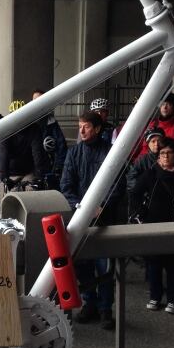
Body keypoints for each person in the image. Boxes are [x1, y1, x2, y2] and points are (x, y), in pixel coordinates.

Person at [61, 111, 122, 329]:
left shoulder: (110, 152)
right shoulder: (74, 153)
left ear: (97, 129)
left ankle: (106, 309)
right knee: (82, 265)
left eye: (86, 126)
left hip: (104, 220)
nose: (82, 130)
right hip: (79, 219)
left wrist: (101, 206)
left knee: (104, 266)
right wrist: (78, 205)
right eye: (80, 126)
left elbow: (117, 184)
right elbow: (66, 185)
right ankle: (90, 303)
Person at [129, 137, 174, 314]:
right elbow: (135, 193)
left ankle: (173, 299)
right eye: (162, 153)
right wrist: (140, 212)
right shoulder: (151, 173)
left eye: (169, 152)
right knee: (154, 264)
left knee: (173, 265)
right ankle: (155, 296)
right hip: (153, 223)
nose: (165, 156)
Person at [0, 100, 47, 196]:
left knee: (31, 200)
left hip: (28, 172)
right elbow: (4, 155)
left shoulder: (34, 128)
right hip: (10, 173)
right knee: (8, 204)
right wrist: (4, 177)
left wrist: (39, 177)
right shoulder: (5, 129)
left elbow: (37, 154)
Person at [134, 93, 174, 161]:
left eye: (168, 104)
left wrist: (170, 164)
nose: (164, 107)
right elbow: (145, 147)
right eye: (162, 104)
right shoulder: (153, 124)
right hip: (151, 164)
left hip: (170, 165)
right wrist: (138, 163)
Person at [32, 89, 67, 189]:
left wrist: (58, 167)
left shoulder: (51, 121)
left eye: (40, 100)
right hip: (32, 167)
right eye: (35, 100)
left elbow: (61, 145)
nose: (37, 103)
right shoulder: (28, 121)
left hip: (48, 165)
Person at [126, 127, 164, 198]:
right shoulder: (142, 160)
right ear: (148, 143)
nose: (156, 144)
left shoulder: (168, 157)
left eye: (159, 141)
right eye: (153, 141)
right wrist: (142, 191)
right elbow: (131, 177)